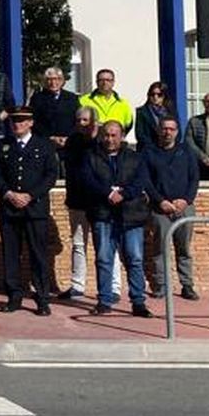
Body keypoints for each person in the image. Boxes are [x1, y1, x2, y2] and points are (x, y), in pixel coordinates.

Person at [0, 105, 60, 315]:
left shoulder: (44, 145)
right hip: (9, 208)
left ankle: (42, 298)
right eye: (14, 121)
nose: (17, 124)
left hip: (35, 208)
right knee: (11, 254)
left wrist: (30, 195)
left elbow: (50, 175)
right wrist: (9, 194)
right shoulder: (3, 145)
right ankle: (14, 296)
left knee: (38, 255)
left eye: (21, 121)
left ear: (30, 122)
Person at [80, 120, 153, 318]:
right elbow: (87, 180)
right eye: (106, 135)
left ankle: (138, 302)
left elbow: (140, 181)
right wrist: (108, 194)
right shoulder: (91, 156)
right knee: (104, 259)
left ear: (122, 137)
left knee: (135, 259)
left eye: (114, 135)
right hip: (103, 215)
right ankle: (104, 301)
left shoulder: (135, 157)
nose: (110, 139)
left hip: (131, 215)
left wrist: (124, 193)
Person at [58, 105, 119, 303]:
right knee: (78, 244)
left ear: (94, 122)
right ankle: (77, 285)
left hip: (100, 202)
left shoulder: (102, 142)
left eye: (85, 120)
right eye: (78, 121)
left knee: (107, 245)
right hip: (77, 200)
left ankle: (114, 286)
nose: (81, 124)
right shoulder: (73, 141)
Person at [142, 114, 200, 301]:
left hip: (184, 208)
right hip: (160, 209)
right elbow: (146, 181)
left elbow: (194, 178)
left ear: (177, 132)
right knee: (160, 249)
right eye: (164, 128)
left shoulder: (187, 151)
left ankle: (187, 285)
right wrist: (160, 201)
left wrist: (186, 200)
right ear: (159, 130)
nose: (167, 132)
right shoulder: (149, 153)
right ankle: (161, 286)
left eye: (171, 129)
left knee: (184, 249)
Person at [29, 67, 80, 149]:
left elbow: (77, 119)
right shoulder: (37, 98)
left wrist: (68, 138)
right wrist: (50, 138)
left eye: (56, 79)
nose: (53, 83)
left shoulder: (72, 98)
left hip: (69, 142)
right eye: (49, 79)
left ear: (62, 81)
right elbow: (34, 121)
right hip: (45, 142)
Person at [82, 68, 135, 133]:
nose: (104, 83)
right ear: (97, 82)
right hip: (91, 141)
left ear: (113, 82)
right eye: (101, 80)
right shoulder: (84, 100)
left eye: (108, 80)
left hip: (114, 141)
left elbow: (128, 125)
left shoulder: (123, 103)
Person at [134, 82, 173, 150]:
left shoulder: (171, 111)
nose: (155, 97)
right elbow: (140, 135)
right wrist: (155, 147)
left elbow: (177, 131)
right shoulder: (142, 112)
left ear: (164, 96)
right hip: (148, 150)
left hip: (168, 149)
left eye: (159, 95)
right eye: (152, 94)